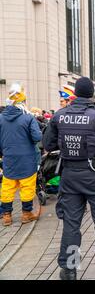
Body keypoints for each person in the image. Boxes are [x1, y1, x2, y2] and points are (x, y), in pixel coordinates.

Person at [43, 77, 95, 280]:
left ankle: (70, 269)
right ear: (92, 95)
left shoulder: (59, 116)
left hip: (69, 176)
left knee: (71, 223)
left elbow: (48, 144)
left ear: (76, 94)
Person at [0, 83, 42, 227]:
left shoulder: (1, 118)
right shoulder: (28, 118)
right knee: (27, 187)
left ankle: (6, 216)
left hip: (9, 159)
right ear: (23, 101)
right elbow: (37, 137)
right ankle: (26, 214)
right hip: (27, 159)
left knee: (7, 187)